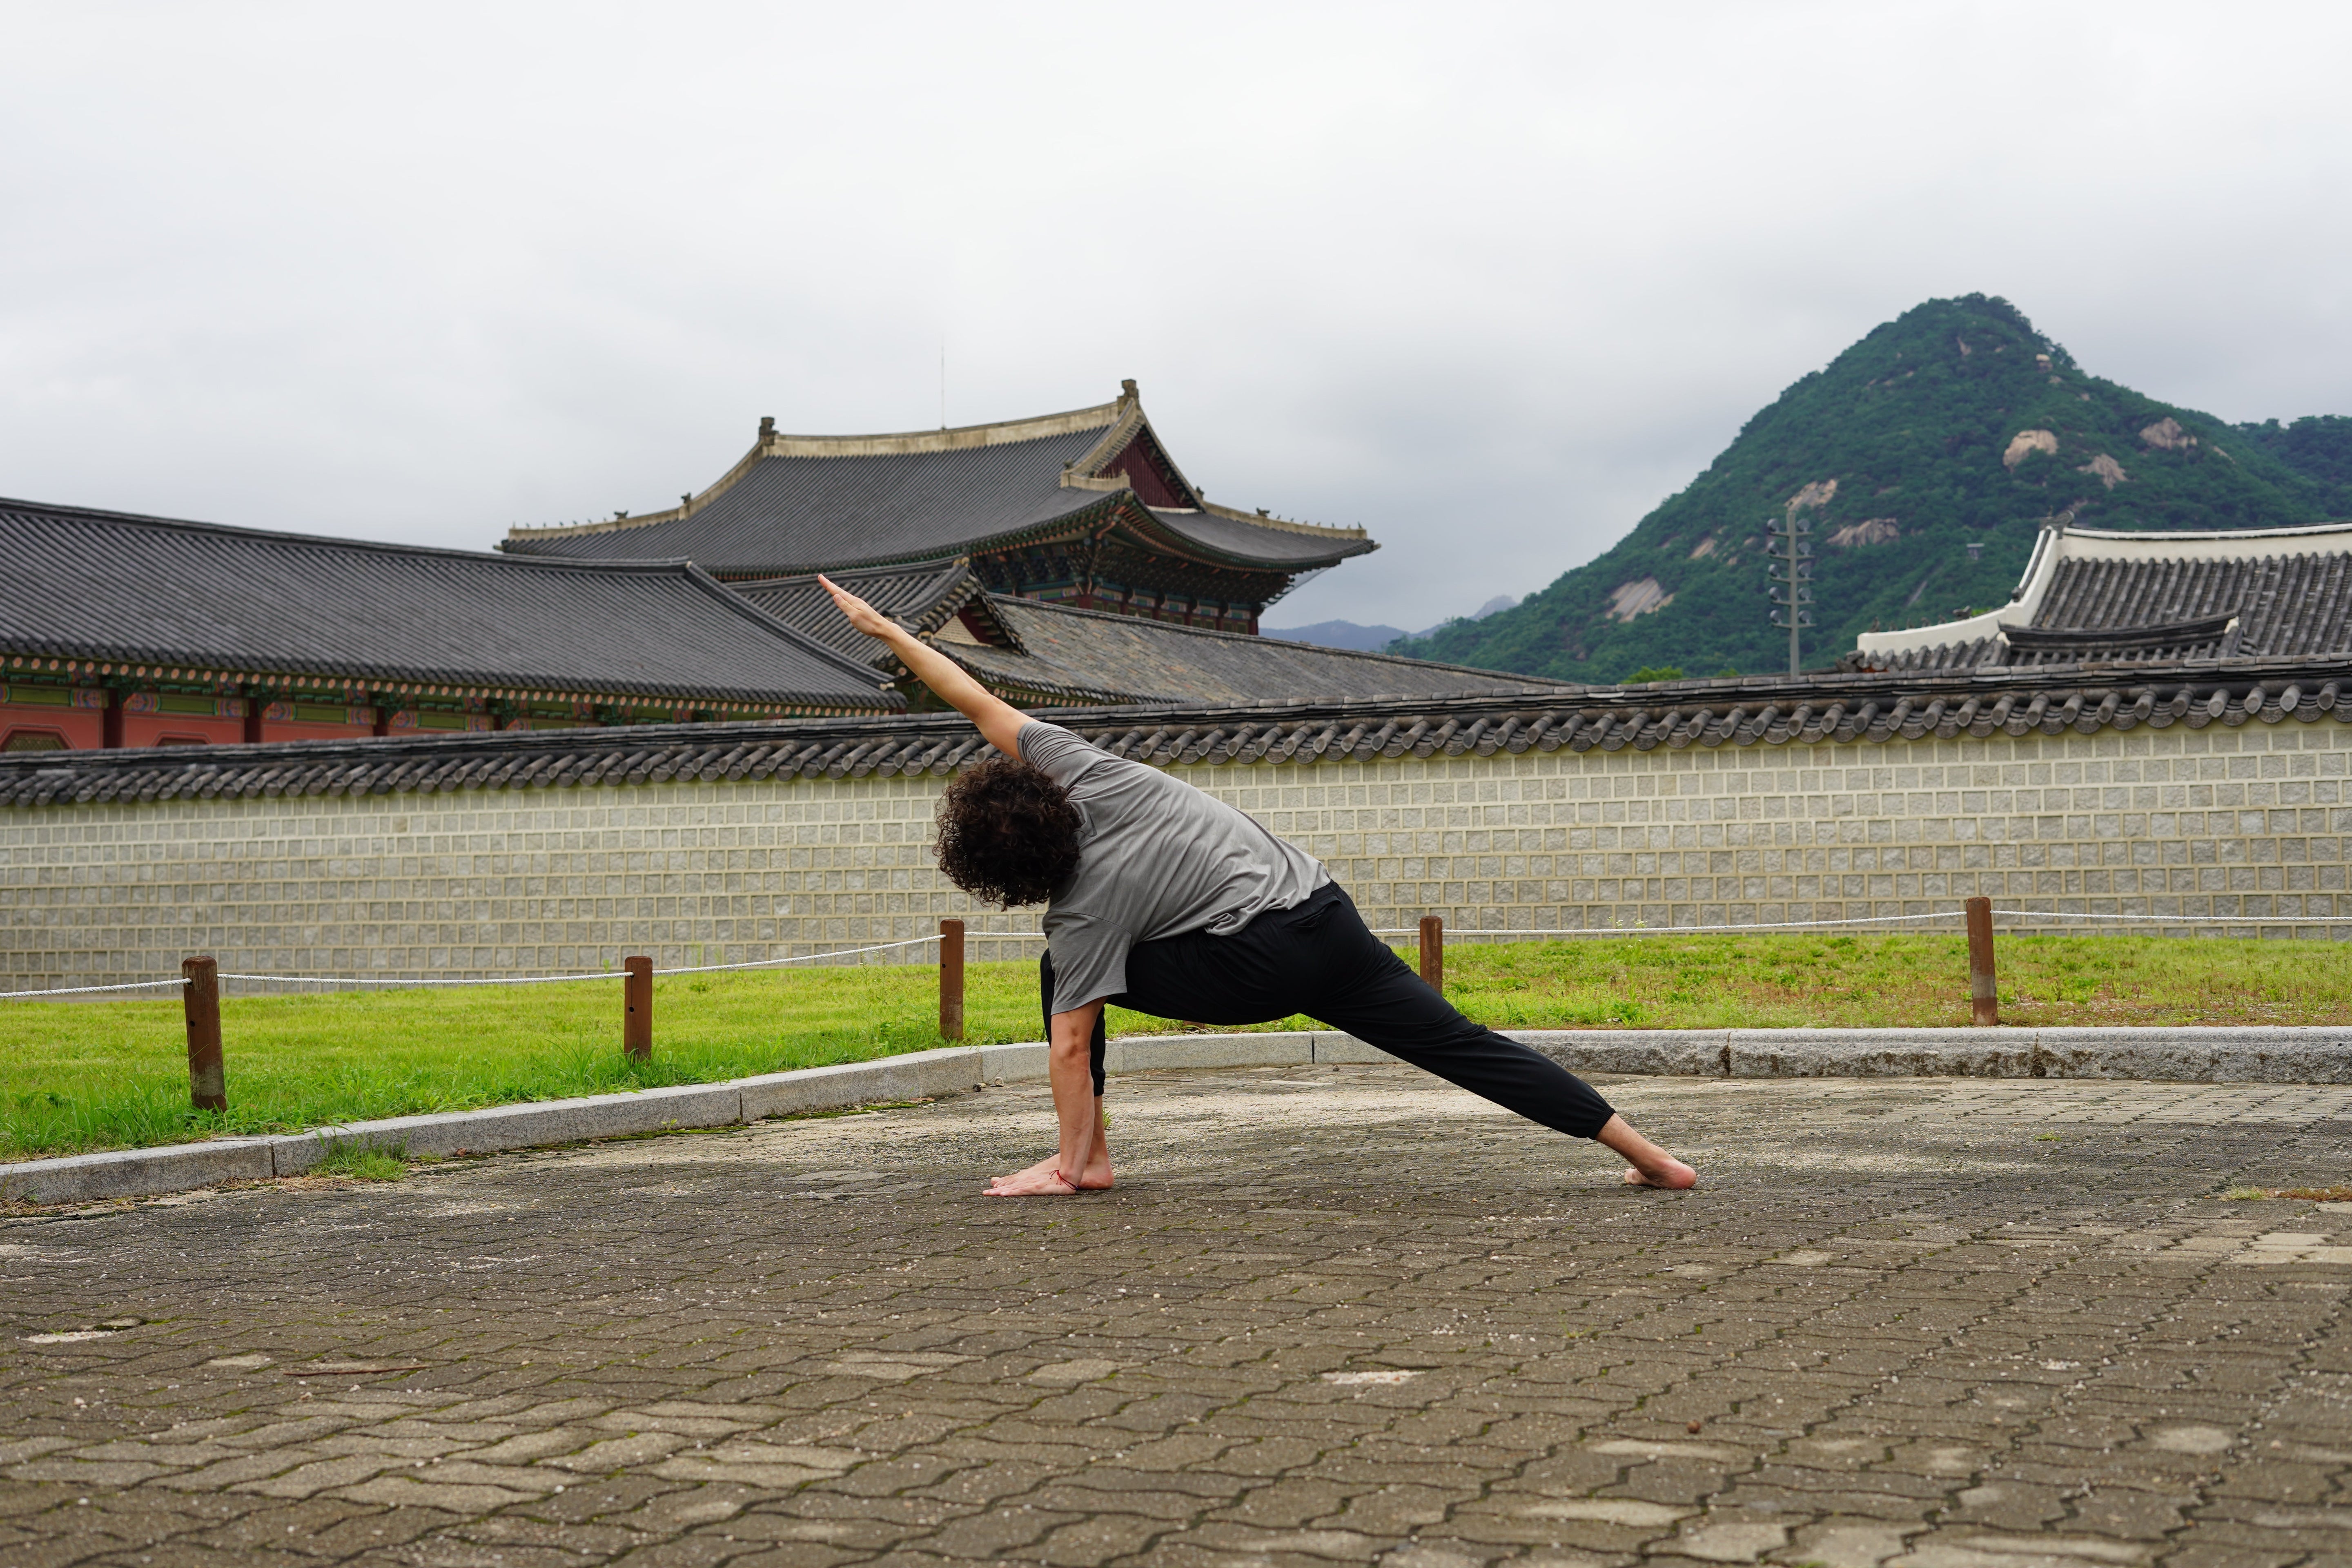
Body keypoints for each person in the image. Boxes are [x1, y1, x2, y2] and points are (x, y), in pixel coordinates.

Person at [820, 576, 1697, 1197]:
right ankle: (1652, 1156)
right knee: (1461, 1043)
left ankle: (1081, 1164)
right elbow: (975, 699)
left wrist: (1059, 1150)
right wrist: (891, 633)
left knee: (1065, 983)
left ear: (1002, 876)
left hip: (1257, 967)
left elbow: (1068, 1048)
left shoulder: (1081, 913)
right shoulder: (1084, 767)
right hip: (1326, 914)